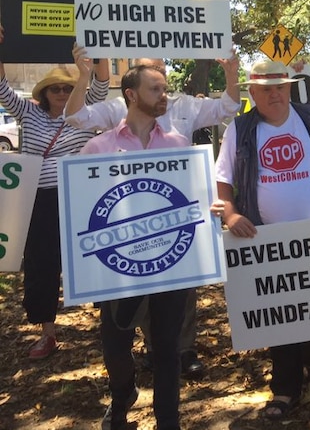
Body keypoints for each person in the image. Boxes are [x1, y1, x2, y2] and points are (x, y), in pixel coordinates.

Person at [65, 45, 241, 377]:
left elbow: (228, 107)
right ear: (133, 86)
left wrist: (231, 73)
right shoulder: (116, 109)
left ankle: (183, 350)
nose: (160, 80)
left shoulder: (185, 110)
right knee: (139, 281)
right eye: (152, 74)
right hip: (129, 211)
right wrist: (84, 76)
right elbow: (75, 117)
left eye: (163, 73)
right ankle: (148, 351)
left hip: (177, 206)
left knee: (181, 285)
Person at [213, 59, 310, 419]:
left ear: (289, 88)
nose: (275, 94)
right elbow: (223, 178)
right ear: (253, 93)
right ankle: (284, 388)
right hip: (264, 238)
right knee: (281, 313)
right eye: (266, 89)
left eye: (281, 87)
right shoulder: (240, 129)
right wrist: (230, 214)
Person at [80, 64, 191, 430]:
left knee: (167, 349)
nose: (165, 96)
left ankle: (169, 420)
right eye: (156, 89)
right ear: (131, 94)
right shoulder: (99, 147)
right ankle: (123, 393)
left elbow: (190, 199)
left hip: (169, 265)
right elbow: (82, 209)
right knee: (115, 349)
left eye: (165, 89)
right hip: (118, 269)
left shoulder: (178, 144)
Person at [0, 37, 108, 359]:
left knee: (95, 258)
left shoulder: (87, 113)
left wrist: (98, 44)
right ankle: (47, 332)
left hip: (80, 197)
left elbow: (101, 83)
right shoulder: (28, 115)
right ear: (44, 93)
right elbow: (2, 88)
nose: (61, 93)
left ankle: (111, 327)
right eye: (55, 89)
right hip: (40, 201)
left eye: (66, 88)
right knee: (42, 264)